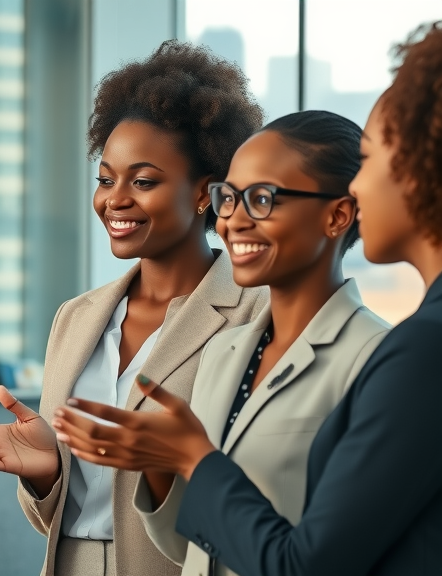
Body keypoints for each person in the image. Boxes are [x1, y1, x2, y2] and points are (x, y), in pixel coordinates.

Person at [47, 22, 442, 576]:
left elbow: (316, 556)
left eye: (259, 198)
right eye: (231, 197)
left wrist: (191, 457)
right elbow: (192, 545)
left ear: (337, 215)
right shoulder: (231, 350)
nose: (233, 216)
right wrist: (159, 469)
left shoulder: (383, 352)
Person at [0, 40, 267, 576]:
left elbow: (258, 489)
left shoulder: (255, 314)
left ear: (205, 193)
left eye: (143, 181)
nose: (114, 199)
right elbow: (55, 516)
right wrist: (45, 475)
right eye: (104, 178)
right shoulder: (77, 318)